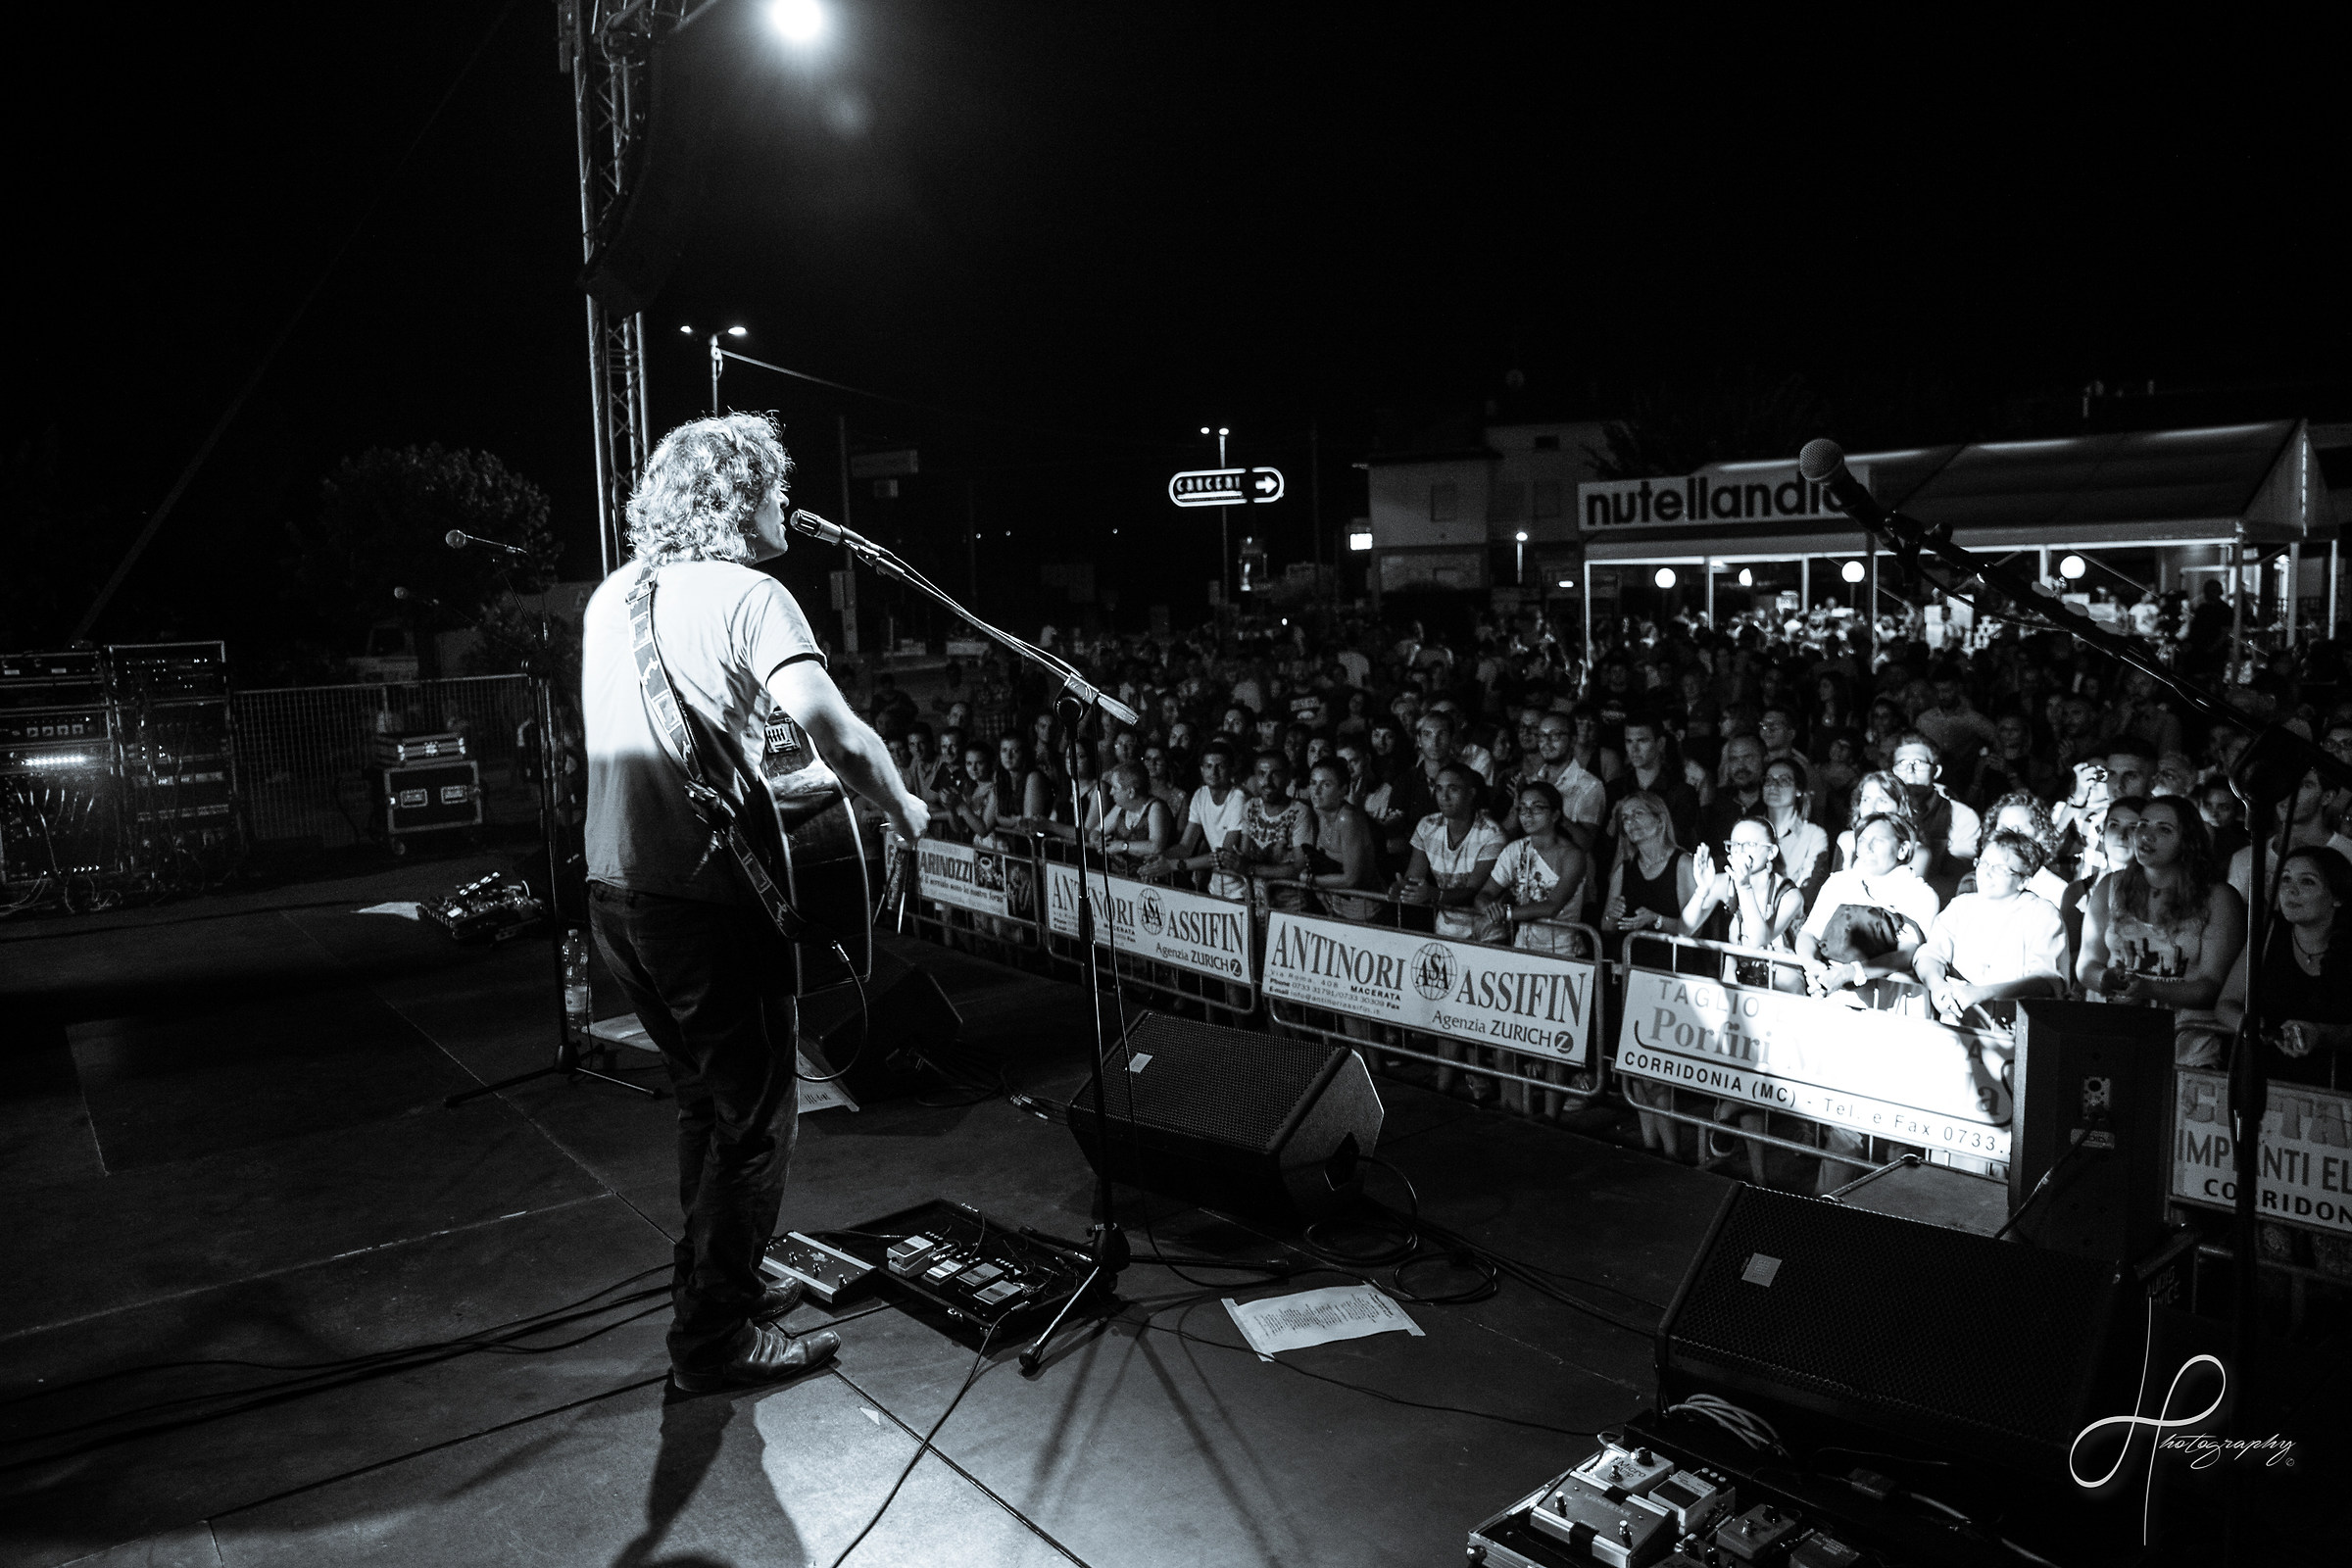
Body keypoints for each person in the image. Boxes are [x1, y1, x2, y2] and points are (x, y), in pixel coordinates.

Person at [583, 414, 925, 1395]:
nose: (787, 504)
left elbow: (665, 753)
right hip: (701, 906)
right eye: (776, 489)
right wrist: (903, 808)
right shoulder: (750, 595)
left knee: (709, 1104)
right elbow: (842, 734)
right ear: (736, 500)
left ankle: (714, 1287)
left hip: (615, 896)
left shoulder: (617, 596)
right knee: (759, 1121)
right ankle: (712, 1341)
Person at [1682, 814, 1807, 1183]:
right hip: (1737, 998)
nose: (1741, 852)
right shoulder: (1724, 882)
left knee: (1752, 1085)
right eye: (1735, 845)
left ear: (1771, 852)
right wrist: (1703, 889)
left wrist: (1745, 888)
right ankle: (1757, 1174)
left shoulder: (1790, 894)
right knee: (1744, 1081)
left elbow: (1757, 938)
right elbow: (1685, 928)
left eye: (1750, 844)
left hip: (1781, 1000)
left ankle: (1723, 1118)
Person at [2079, 796, 2246, 1066]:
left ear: (2188, 841)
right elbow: (2086, 964)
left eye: (2164, 829)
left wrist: (2146, 988)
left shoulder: (2218, 898)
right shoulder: (2111, 886)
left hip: (2186, 1053)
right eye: (2143, 825)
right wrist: (2104, 980)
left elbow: (2212, 987)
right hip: (2111, 1042)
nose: (2147, 835)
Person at [1475, 781, 1590, 1116]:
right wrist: (1490, 908)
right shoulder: (1515, 850)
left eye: (1536, 808)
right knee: (1506, 1039)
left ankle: (1550, 1117)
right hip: (1522, 952)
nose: (1527, 815)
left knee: (1555, 1044)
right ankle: (1512, 1107)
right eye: (1522, 808)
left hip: (1564, 954)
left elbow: (1552, 905)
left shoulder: (1572, 855)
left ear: (1555, 814)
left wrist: (1506, 912)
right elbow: (1485, 893)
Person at [1396, 761, 1508, 1098]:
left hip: (1485, 934)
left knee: (1481, 1017)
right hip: (1446, 929)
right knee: (1446, 1014)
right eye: (1439, 788)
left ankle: (1490, 1088)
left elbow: (1477, 889)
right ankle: (1444, 1086)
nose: (1443, 796)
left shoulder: (1491, 833)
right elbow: (1416, 876)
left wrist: (1433, 895)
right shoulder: (1428, 824)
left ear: (1472, 793)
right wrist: (1404, 891)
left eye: (1453, 788)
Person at [1604, 792, 1698, 1158]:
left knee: (1657, 1075)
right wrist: (1611, 915)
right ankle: (1650, 1147)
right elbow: (1607, 926)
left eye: (1638, 814)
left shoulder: (1682, 863)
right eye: (1625, 818)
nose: (1630, 823)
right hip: (1632, 977)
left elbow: (1695, 928)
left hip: (1669, 981)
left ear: (1661, 819)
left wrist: (1655, 921)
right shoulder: (1624, 868)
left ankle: (1672, 1153)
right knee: (1635, 1070)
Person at [1913, 831, 2072, 1027]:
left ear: (2024, 880)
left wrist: (1982, 993)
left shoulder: (2042, 913)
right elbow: (1931, 954)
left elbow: (2046, 980)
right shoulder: (1961, 905)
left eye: (2000, 869)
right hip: (1959, 1023)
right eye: (1983, 863)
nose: (1986, 873)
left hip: (2015, 1027)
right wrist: (1938, 985)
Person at [1797, 812, 1942, 1003]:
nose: (1867, 848)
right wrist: (1812, 965)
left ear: (1903, 849)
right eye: (1863, 840)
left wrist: (1853, 972)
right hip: (1832, 992)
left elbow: (1906, 954)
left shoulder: (1921, 894)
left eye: (1878, 840)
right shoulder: (1839, 882)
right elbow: (1808, 934)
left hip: (1892, 1000)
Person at [1142, 741, 1250, 897]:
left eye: (1221, 766)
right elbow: (1186, 846)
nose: (1214, 772)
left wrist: (1173, 865)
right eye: (1209, 766)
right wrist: (1160, 858)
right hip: (1217, 886)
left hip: (1243, 889)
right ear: (1201, 769)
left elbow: (1223, 856)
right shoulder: (1200, 795)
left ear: (1231, 769)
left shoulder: (1239, 798)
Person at [1889, 733, 1982, 904]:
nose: (1910, 770)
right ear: (1894, 771)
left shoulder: (1962, 816)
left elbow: (1955, 878)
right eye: (1902, 763)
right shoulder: (1885, 809)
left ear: (1936, 771)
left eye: (1919, 763)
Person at [1298, 757, 1382, 921]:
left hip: (1365, 911)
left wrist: (1311, 880)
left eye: (1326, 785)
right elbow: (1318, 859)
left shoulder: (1347, 818)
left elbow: (1352, 879)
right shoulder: (1321, 812)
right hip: (1337, 906)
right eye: (1313, 783)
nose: (1316, 790)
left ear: (1343, 790)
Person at [1757, 755, 1830, 904]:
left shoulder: (1813, 835)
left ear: (1798, 790)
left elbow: (1809, 886)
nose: (1773, 786)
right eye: (1769, 780)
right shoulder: (1751, 829)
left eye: (1783, 780)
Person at [1089, 760, 1173, 876]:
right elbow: (1096, 831)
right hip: (1120, 879)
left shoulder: (1156, 808)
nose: (1111, 792)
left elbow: (1156, 846)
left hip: (1150, 881)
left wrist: (1122, 846)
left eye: (1115, 787)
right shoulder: (1120, 808)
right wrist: (1097, 842)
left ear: (1131, 792)